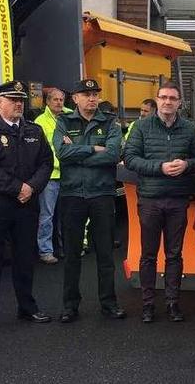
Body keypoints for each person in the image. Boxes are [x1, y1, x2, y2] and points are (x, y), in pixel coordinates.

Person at [0, 80, 54, 335]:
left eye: (21, 100)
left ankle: (27, 307)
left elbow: (46, 163)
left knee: (25, 258)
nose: (19, 104)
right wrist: (18, 188)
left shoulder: (34, 131)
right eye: (12, 100)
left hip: (26, 205)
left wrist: (31, 187)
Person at [123, 82, 195, 323]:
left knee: (174, 254)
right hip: (150, 200)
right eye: (163, 97)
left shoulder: (189, 129)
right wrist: (160, 167)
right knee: (148, 255)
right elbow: (129, 158)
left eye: (173, 98)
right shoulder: (140, 126)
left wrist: (187, 165)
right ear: (157, 100)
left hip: (178, 200)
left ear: (179, 103)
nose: (168, 102)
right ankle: (148, 304)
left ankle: (172, 302)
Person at [53, 78, 126, 322]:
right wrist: (94, 149)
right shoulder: (64, 121)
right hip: (72, 194)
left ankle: (109, 303)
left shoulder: (110, 124)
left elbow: (113, 155)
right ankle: (70, 305)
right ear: (75, 98)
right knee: (72, 255)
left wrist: (78, 151)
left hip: (102, 194)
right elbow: (61, 153)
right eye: (86, 94)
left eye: (95, 94)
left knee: (105, 254)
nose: (92, 98)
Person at [34, 87, 71, 263]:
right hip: (50, 176)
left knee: (68, 215)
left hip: (69, 174)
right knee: (47, 216)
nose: (58, 103)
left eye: (61, 100)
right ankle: (46, 251)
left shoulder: (70, 116)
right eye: (55, 99)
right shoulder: (40, 122)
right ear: (47, 102)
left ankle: (66, 248)